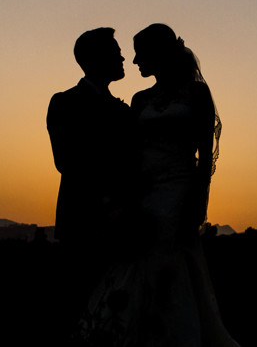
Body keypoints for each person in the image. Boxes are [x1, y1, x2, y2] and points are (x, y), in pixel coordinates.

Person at [79, 23, 239, 346]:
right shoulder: (139, 100)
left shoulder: (196, 94)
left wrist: (198, 203)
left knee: (172, 260)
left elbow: (206, 157)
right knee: (135, 258)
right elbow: (130, 152)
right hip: (144, 189)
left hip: (179, 189)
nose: (135, 61)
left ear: (159, 53)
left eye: (140, 53)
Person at [47, 27, 137, 332]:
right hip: (82, 224)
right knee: (77, 311)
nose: (123, 56)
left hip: (124, 226)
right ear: (95, 58)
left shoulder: (125, 111)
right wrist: (108, 199)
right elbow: (66, 162)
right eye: (115, 50)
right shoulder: (64, 103)